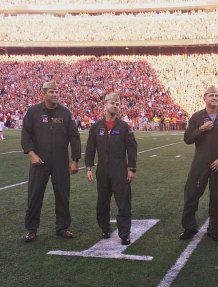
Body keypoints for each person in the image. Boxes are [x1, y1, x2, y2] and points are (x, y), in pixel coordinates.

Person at [21, 81, 81, 242]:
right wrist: (31, 153)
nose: (55, 94)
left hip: (60, 162)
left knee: (62, 195)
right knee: (34, 196)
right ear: (44, 93)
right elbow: (26, 134)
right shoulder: (33, 112)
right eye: (52, 92)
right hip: (39, 162)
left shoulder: (65, 113)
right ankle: (31, 229)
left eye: (57, 92)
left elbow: (74, 136)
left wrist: (75, 159)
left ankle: (62, 227)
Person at [179, 85, 218, 241]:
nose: (215, 97)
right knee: (191, 195)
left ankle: (214, 229)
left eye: (217, 95)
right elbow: (187, 139)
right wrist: (201, 129)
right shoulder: (197, 117)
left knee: (216, 198)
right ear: (204, 98)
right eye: (211, 95)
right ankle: (189, 227)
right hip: (200, 163)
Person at [85, 92, 137, 245]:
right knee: (102, 202)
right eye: (112, 103)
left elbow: (132, 148)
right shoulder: (96, 127)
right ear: (105, 104)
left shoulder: (124, 127)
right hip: (102, 170)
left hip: (119, 170)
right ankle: (105, 228)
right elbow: (90, 149)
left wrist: (131, 168)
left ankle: (124, 233)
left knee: (123, 203)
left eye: (117, 104)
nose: (115, 106)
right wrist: (88, 167)